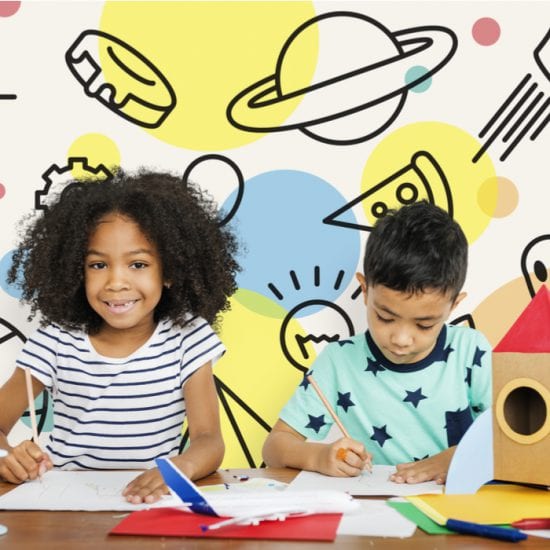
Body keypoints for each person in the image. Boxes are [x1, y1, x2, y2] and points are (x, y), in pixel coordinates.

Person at [0, 168, 239, 503]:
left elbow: (208, 439)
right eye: (98, 265)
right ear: (76, 271)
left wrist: (180, 468)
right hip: (63, 501)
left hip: (151, 500)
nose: (116, 282)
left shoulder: (187, 338)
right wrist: (7, 457)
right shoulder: (55, 341)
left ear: (169, 271)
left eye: (138, 265)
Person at [262, 200, 492, 484]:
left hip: (459, 508)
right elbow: (274, 447)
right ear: (364, 289)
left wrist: (460, 455)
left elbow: (519, 435)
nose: (401, 339)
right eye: (385, 317)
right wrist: (318, 457)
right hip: (377, 510)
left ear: (454, 304)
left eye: (424, 324)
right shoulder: (339, 361)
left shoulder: (471, 352)